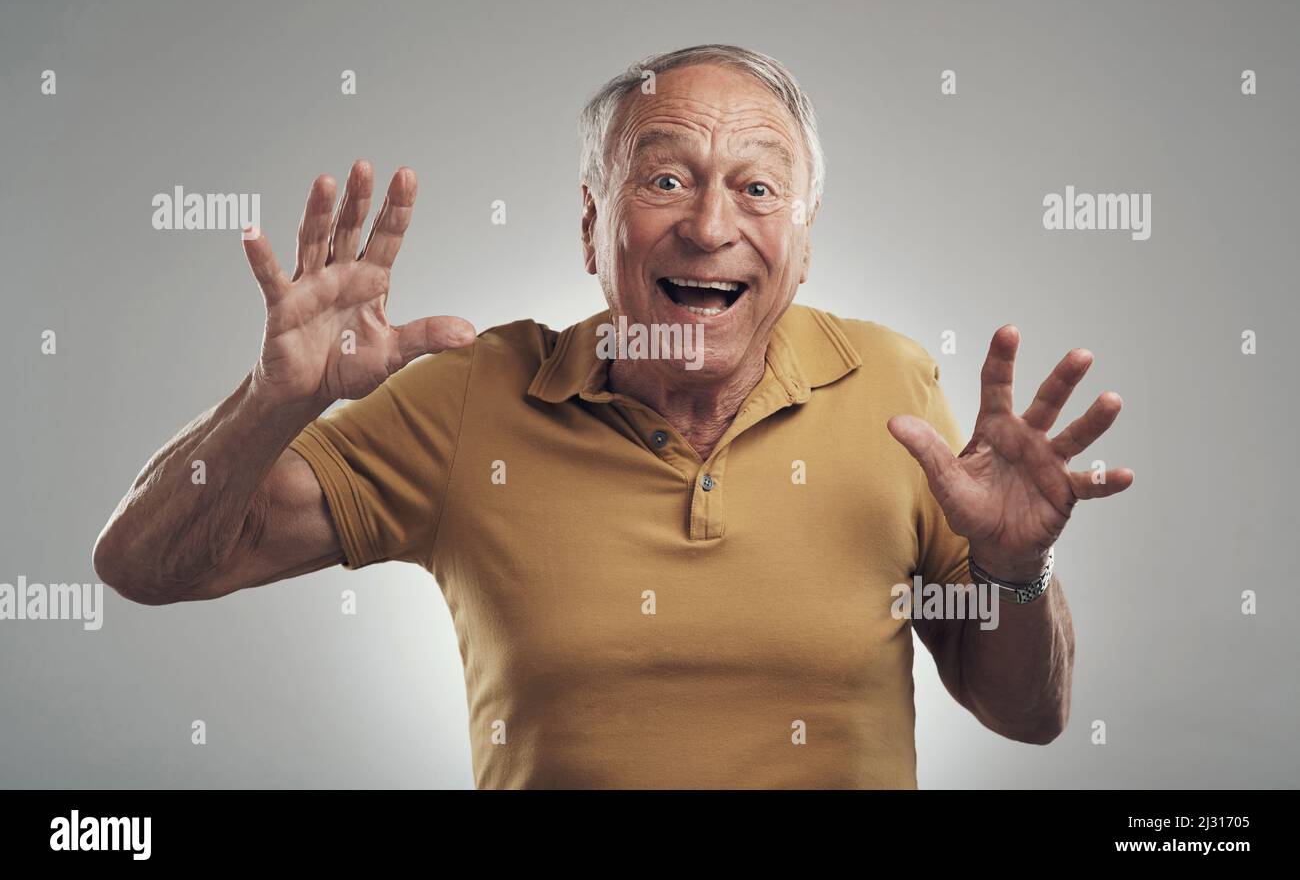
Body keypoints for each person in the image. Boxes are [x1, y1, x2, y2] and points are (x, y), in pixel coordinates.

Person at [93, 44, 1134, 788]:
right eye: (665, 178)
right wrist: (272, 402)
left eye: (758, 187)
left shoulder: (891, 385)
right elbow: (148, 566)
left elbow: (1026, 714)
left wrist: (1010, 569)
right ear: (592, 225)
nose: (710, 224)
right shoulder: (470, 392)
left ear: (805, 242)